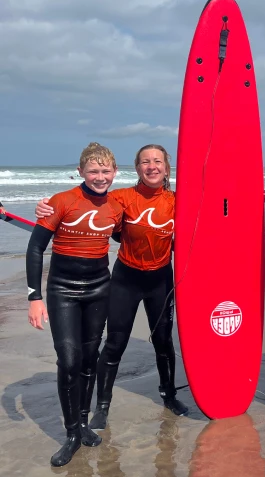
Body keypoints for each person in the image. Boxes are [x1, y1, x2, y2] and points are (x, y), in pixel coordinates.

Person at [35, 144, 188, 431]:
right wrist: (45, 207)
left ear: (166, 168)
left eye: (157, 161)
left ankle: (169, 395)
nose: (151, 166)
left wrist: (252, 199)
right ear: (137, 167)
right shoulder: (120, 198)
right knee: (115, 343)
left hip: (161, 280)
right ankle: (102, 407)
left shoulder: (178, 201)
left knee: (164, 342)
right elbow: (90, 206)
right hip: (125, 280)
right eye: (145, 162)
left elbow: (206, 220)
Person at [26, 143, 123, 466]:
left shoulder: (117, 204)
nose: (99, 177)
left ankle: (82, 423)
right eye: (93, 171)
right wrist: (34, 297)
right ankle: (70, 434)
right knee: (68, 359)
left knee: (89, 357)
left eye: (105, 171)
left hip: (99, 287)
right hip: (63, 290)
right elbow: (36, 248)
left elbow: (135, 230)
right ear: (80, 171)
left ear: (114, 172)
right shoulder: (61, 201)